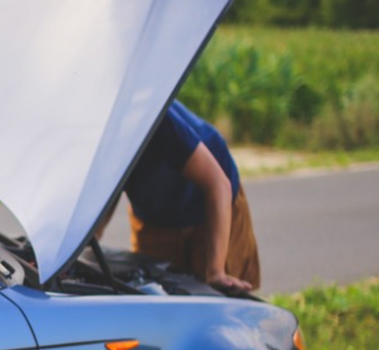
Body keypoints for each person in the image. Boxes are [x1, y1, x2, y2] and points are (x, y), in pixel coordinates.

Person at [102, 101, 260, 291]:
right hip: (155, 215)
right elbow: (105, 194)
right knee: (154, 292)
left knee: (217, 294)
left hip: (212, 204)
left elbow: (218, 185)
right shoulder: (92, 137)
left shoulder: (153, 117)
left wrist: (216, 270)